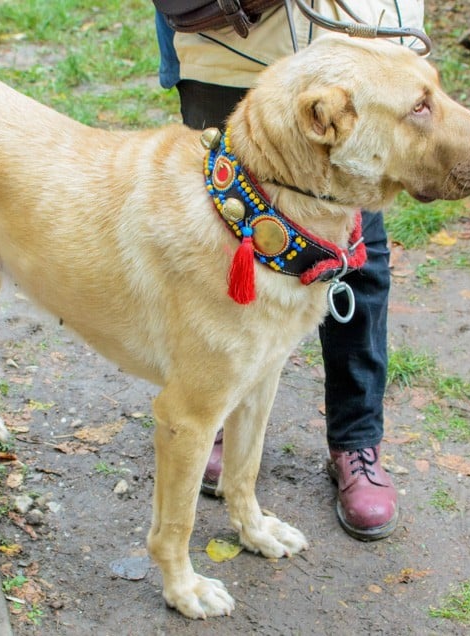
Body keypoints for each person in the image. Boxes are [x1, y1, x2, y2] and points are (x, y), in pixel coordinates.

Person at [155, 0, 425, 541]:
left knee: (356, 256)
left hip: (366, 36)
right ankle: (210, 410)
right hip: (230, 45)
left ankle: (355, 441)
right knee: (220, 240)